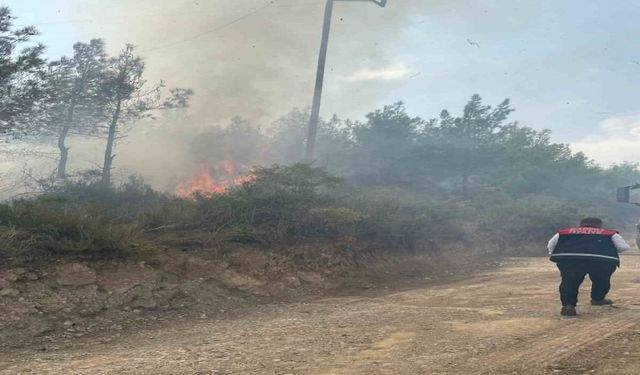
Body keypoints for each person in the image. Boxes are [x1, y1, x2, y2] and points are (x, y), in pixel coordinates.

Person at [547, 217, 630, 316]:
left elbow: (551, 245)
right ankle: (597, 299)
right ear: (599, 225)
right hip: (600, 260)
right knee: (601, 280)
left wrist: (558, 254)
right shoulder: (610, 233)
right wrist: (609, 251)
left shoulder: (564, 232)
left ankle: (568, 306)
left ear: (581, 224)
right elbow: (623, 247)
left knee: (569, 281)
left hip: (570, 259)